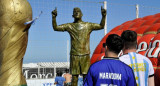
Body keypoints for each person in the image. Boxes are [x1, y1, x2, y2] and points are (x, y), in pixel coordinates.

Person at [52, 6, 106, 86]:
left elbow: (101, 26)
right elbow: (56, 28)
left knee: (86, 77)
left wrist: (103, 16)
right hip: (74, 55)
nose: (76, 12)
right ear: (72, 15)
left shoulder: (88, 25)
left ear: (82, 14)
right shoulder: (70, 26)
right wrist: (54, 17)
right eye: (74, 11)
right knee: (74, 78)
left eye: (78, 11)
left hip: (85, 55)